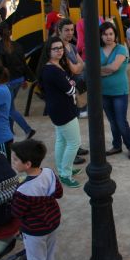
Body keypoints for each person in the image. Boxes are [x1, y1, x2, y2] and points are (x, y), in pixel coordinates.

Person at [10, 139, 63, 260]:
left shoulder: (23, 190)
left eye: (15, 159)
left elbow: (16, 212)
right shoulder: (49, 173)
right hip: (52, 224)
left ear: (27, 164)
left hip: (34, 232)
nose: (12, 162)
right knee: (48, 257)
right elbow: (58, 193)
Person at [37, 36, 82, 188]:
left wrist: (70, 85)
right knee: (74, 142)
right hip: (63, 110)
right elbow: (70, 90)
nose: (59, 51)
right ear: (48, 51)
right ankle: (65, 174)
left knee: (62, 140)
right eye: (55, 49)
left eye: (61, 48)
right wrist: (72, 86)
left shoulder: (53, 66)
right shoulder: (53, 70)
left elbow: (67, 85)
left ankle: (63, 168)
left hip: (58, 109)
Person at [0, 22, 36, 141]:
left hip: (7, 82)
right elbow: (23, 64)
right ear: (10, 32)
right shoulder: (17, 45)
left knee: (10, 109)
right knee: (10, 106)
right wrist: (25, 79)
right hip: (18, 80)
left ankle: (28, 130)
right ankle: (10, 130)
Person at [99, 22, 130, 160]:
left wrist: (99, 70)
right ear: (101, 36)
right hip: (104, 92)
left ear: (115, 35)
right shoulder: (98, 49)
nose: (108, 37)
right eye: (105, 34)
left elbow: (114, 67)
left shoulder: (121, 49)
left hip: (119, 91)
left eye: (111, 34)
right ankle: (116, 145)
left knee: (121, 121)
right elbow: (91, 67)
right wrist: (105, 70)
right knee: (112, 121)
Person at [57, 19, 88, 126]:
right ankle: (82, 108)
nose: (70, 33)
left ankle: (84, 106)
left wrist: (77, 67)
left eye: (71, 30)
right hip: (67, 80)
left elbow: (81, 64)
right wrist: (78, 67)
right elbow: (74, 69)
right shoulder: (59, 48)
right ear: (59, 31)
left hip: (76, 77)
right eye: (66, 30)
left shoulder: (72, 46)